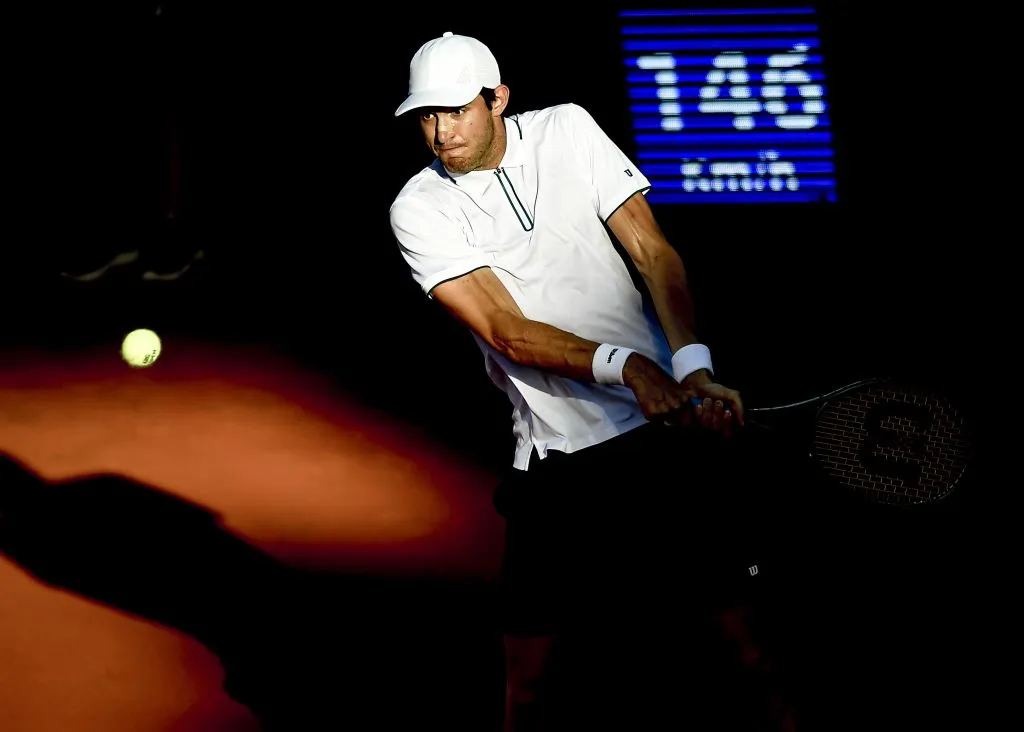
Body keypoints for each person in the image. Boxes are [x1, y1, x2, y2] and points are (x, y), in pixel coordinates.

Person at [389, 32, 795, 731]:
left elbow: (651, 248)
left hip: (660, 440)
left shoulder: (569, 129)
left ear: (498, 99)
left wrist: (690, 362)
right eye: (425, 117)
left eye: (456, 111)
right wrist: (632, 367)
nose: (441, 131)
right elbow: (507, 331)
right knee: (531, 683)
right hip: (557, 465)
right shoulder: (419, 206)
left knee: (747, 646)